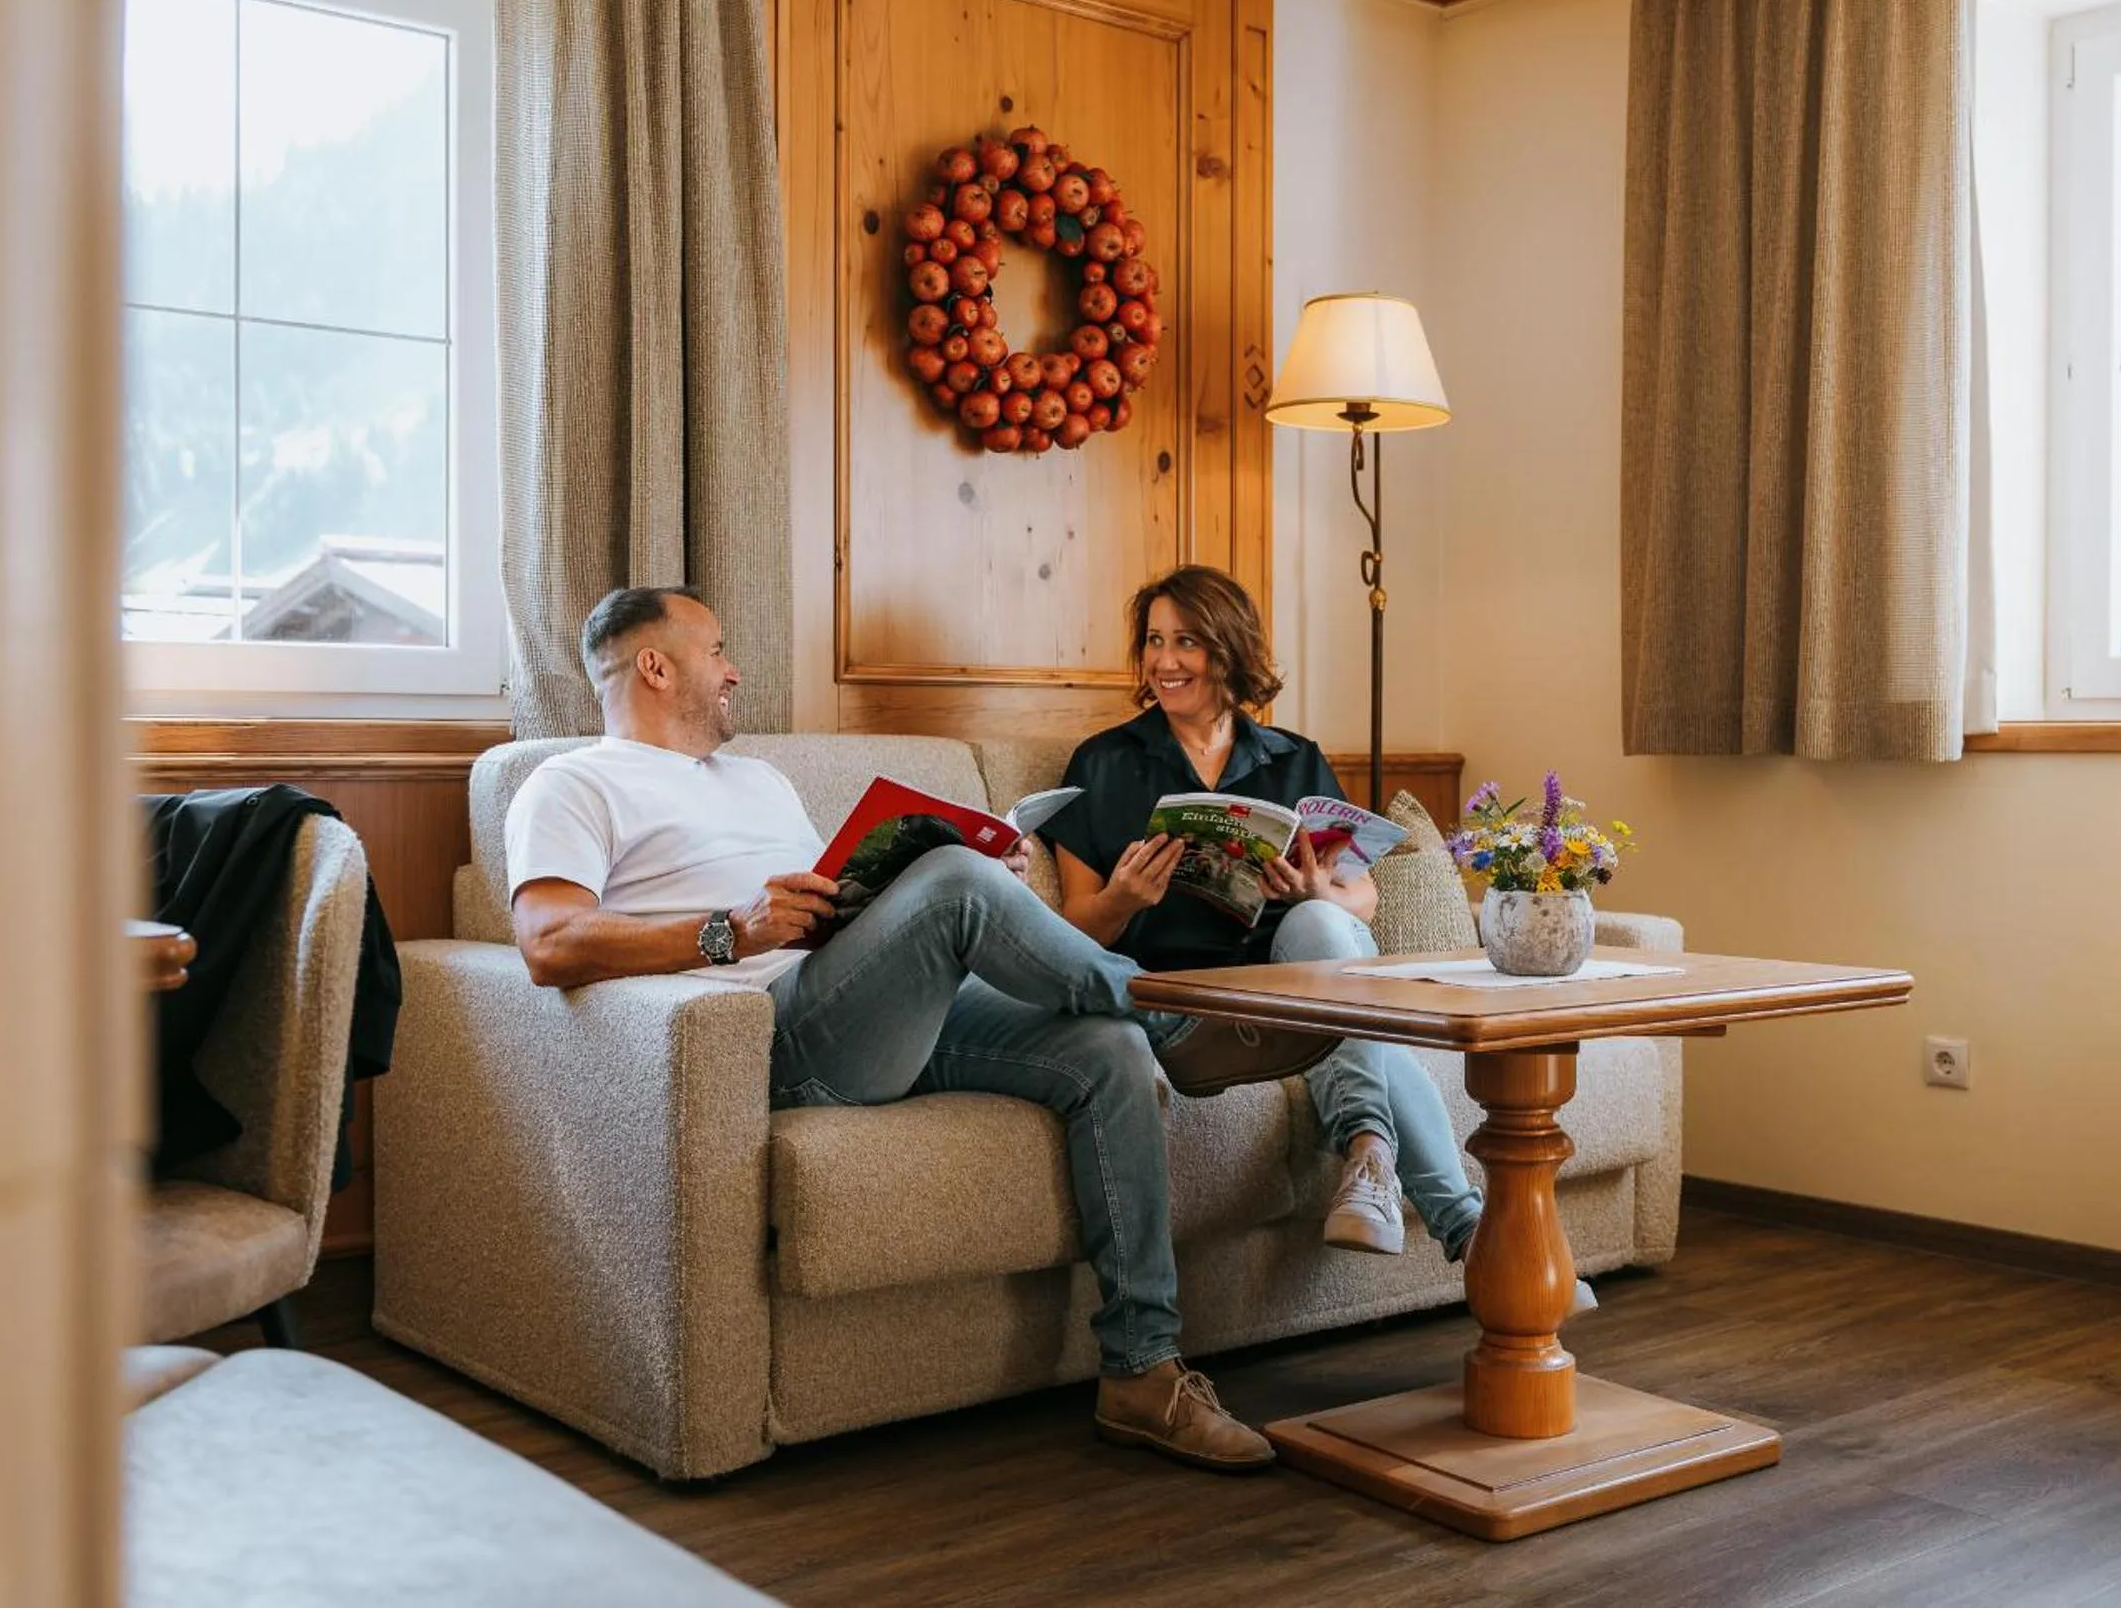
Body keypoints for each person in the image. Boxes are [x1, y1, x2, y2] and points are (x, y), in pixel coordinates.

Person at [503, 585, 1288, 1472]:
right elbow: (548, 943)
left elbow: (838, 918)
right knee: (957, 886)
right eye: (716, 650)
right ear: (654, 664)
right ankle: (1177, 1021)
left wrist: (966, 878)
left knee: (1103, 1049)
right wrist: (731, 930)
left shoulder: (758, 779)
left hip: (867, 1011)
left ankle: (1142, 1370)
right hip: (766, 1038)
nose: (734, 670)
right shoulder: (572, 782)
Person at [1041, 567, 1595, 1313]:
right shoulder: (1102, 764)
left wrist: (1316, 890)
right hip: (1185, 1007)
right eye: (1154, 641)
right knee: (1368, 1024)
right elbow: (1070, 929)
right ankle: (1467, 1226)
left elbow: (1361, 895)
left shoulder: (1294, 758)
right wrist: (1122, 900)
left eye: (1187, 641)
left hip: (1294, 989)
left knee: (1321, 925)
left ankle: (1378, 1161)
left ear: (1229, 650)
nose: (1164, 660)